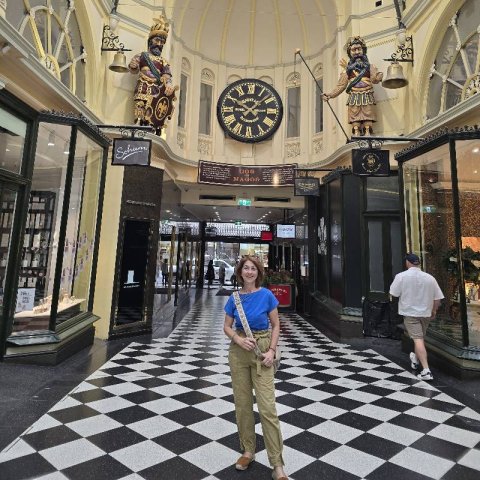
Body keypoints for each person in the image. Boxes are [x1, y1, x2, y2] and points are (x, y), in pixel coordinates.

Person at [223, 256, 288, 480]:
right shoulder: (234, 298)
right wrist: (238, 339)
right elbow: (227, 326)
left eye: (253, 269)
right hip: (239, 353)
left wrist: (272, 350)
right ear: (240, 272)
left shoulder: (266, 295)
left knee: (267, 408)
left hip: (262, 352)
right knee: (242, 405)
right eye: (246, 268)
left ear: (258, 273)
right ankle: (248, 451)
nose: (249, 272)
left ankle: (277, 463)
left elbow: (276, 325)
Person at [389, 253, 444, 381]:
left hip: (410, 313)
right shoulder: (430, 278)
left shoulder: (401, 276)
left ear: (407, 263)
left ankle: (426, 370)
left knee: (418, 339)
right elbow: (437, 299)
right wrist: (434, 311)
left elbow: (393, 293)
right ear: (418, 263)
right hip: (425, 313)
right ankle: (415, 359)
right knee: (419, 338)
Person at [323, 36, 383, 136]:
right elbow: (341, 86)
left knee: (368, 112)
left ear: (363, 50)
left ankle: (368, 132)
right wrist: (330, 95)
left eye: (359, 49)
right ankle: (356, 132)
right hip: (354, 95)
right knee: (354, 114)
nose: (357, 52)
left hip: (367, 93)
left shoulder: (370, 67)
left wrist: (379, 77)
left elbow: (374, 79)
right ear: (350, 52)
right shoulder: (347, 71)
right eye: (354, 50)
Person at [129, 15, 176, 135]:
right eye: (157, 41)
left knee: (152, 109)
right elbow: (134, 69)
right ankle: (138, 124)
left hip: (156, 89)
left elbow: (167, 75)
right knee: (140, 105)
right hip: (143, 85)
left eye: (162, 42)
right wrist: (133, 65)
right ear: (151, 41)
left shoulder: (163, 61)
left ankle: (151, 127)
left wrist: (169, 84)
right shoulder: (142, 55)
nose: (159, 44)